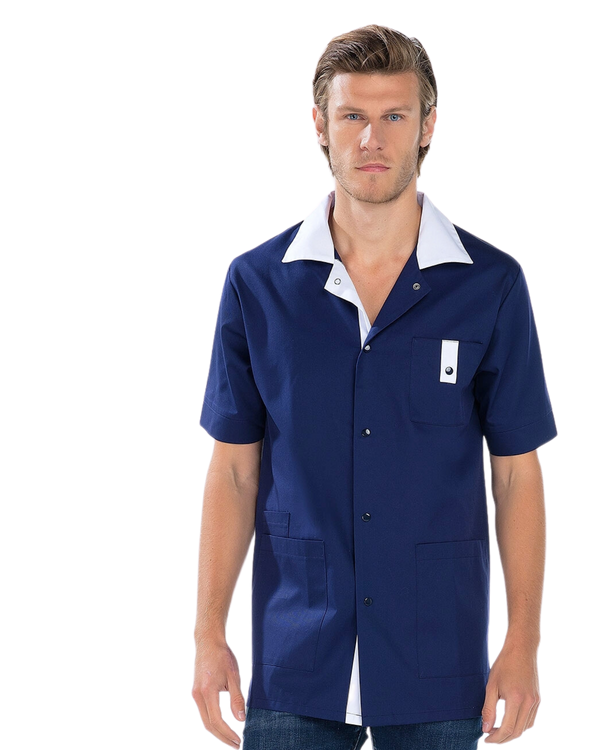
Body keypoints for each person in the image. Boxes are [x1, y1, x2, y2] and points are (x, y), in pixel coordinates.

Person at [190, 21, 559, 750]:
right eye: (353, 115)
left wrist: (522, 644)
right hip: (295, 658)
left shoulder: (491, 285)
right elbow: (232, 470)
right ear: (318, 124)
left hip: (441, 663)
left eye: (394, 116)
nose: (371, 139)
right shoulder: (257, 284)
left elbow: (519, 474)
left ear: (430, 126)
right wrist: (207, 636)